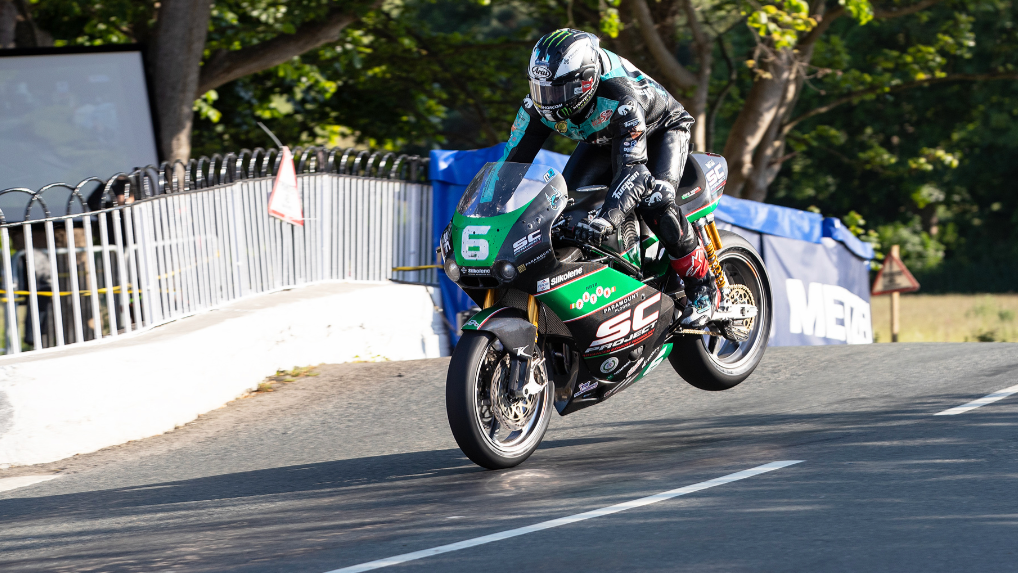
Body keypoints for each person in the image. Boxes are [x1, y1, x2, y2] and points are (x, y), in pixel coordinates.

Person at [496, 28, 719, 326]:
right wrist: (482, 218)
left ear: (586, 81)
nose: (547, 101)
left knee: (656, 198)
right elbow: (509, 163)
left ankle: (703, 288)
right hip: (603, 139)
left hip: (660, 130)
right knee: (567, 207)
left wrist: (608, 218)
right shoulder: (537, 105)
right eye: (540, 89)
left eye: (556, 92)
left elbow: (634, 170)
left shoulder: (621, 95)